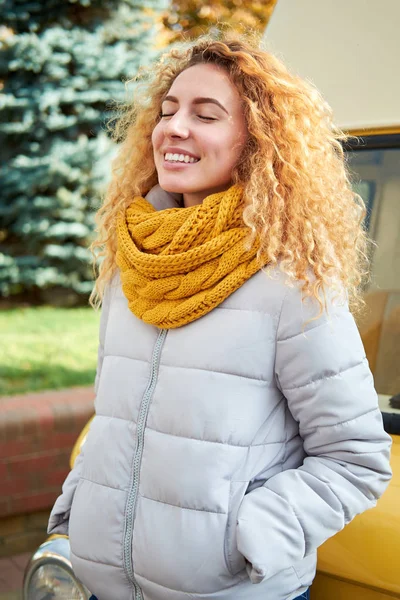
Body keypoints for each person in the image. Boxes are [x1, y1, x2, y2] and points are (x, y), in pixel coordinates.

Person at [48, 33, 392, 600]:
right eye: (167, 111)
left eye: (206, 115)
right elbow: (117, 422)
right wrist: (78, 507)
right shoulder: (131, 264)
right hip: (104, 586)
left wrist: (249, 539)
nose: (175, 128)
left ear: (256, 141)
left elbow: (355, 458)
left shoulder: (291, 281)